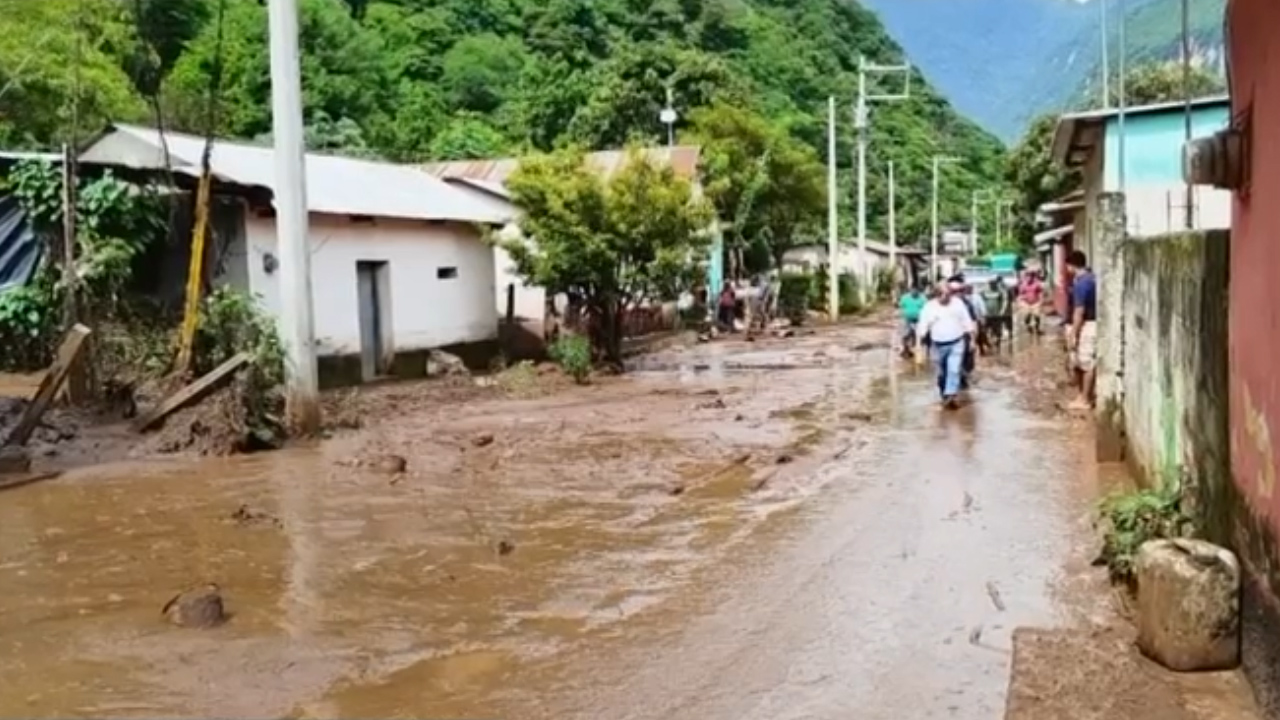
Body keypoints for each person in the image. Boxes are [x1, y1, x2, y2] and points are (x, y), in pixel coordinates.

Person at [915, 281, 976, 409]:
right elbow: (922, 326)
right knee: (941, 373)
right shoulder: (929, 307)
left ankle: (951, 395)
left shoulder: (958, 304)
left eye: (948, 294)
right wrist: (918, 345)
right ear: (936, 295)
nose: (945, 297)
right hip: (937, 344)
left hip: (957, 342)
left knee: (954, 370)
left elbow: (967, 321)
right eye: (942, 295)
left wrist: (972, 340)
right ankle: (945, 394)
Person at [1065, 251, 1097, 412]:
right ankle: (1082, 396)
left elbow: (1079, 311)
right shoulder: (1089, 279)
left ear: (1071, 265)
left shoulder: (1082, 283)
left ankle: (1085, 399)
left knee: (1085, 362)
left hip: (1085, 325)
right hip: (1085, 324)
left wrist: (1073, 334)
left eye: (1067, 266)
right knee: (1077, 361)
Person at [980, 276, 1012, 352]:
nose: (992, 285)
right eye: (991, 283)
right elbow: (980, 302)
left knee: (998, 332)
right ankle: (986, 345)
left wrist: (1002, 311)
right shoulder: (983, 291)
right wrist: (982, 312)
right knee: (984, 331)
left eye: (993, 283)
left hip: (997, 315)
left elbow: (1005, 301)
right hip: (987, 315)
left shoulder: (1001, 291)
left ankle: (998, 347)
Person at [897, 284, 927, 358]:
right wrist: (902, 314)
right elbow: (901, 307)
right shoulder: (905, 297)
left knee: (919, 336)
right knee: (905, 335)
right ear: (910, 290)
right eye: (912, 290)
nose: (914, 292)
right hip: (906, 319)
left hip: (919, 320)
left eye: (916, 290)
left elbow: (927, 308)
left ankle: (918, 350)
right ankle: (906, 350)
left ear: (918, 291)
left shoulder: (922, 298)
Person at [1016, 270, 1045, 336]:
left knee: (1036, 316)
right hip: (1026, 303)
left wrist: (1041, 301)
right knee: (1027, 316)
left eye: (1030, 276)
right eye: (1028, 276)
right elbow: (1020, 294)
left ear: (1033, 277)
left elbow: (1040, 292)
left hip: (1035, 302)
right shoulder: (1023, 284)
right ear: (1026, 277)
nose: (1029, 278)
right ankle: (1028, 327)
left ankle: (1037, 329)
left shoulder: (1037, 284)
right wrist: (1019, 301)